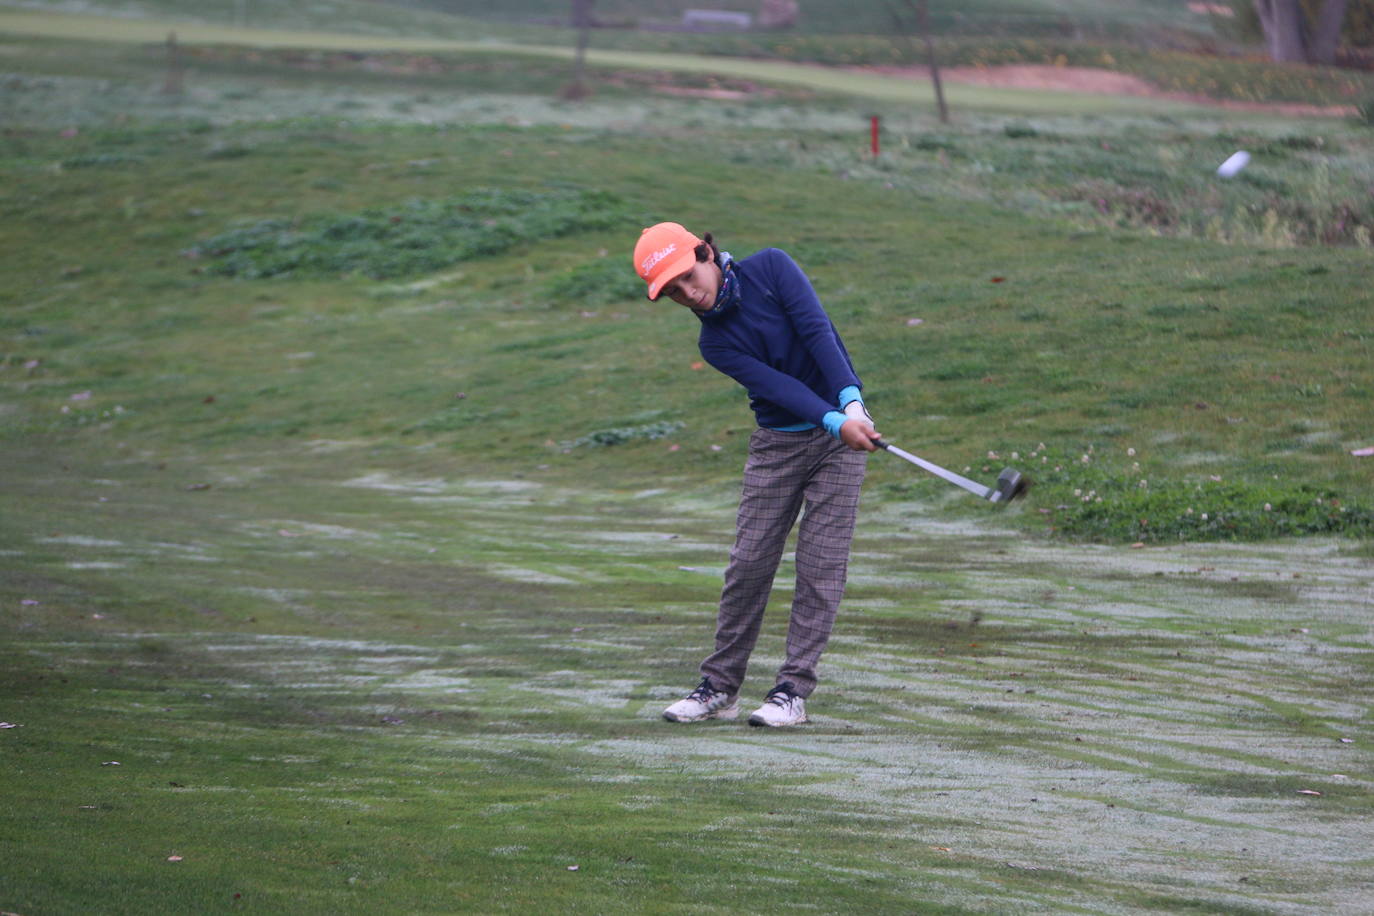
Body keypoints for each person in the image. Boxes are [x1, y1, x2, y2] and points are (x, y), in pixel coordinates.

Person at [632, 222, 880, 728]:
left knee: (820, 566)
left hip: (843, 434)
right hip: (778, 445)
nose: (687, 294)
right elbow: (776, 386)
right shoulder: (714, 343)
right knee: (748, 564)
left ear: (704, 252)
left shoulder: (772, 267)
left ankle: (792, 691)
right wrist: (834, 420)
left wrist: (852, 404)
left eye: (686, 277)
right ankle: (720, 686)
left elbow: (818, 332)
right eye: (673, 292)